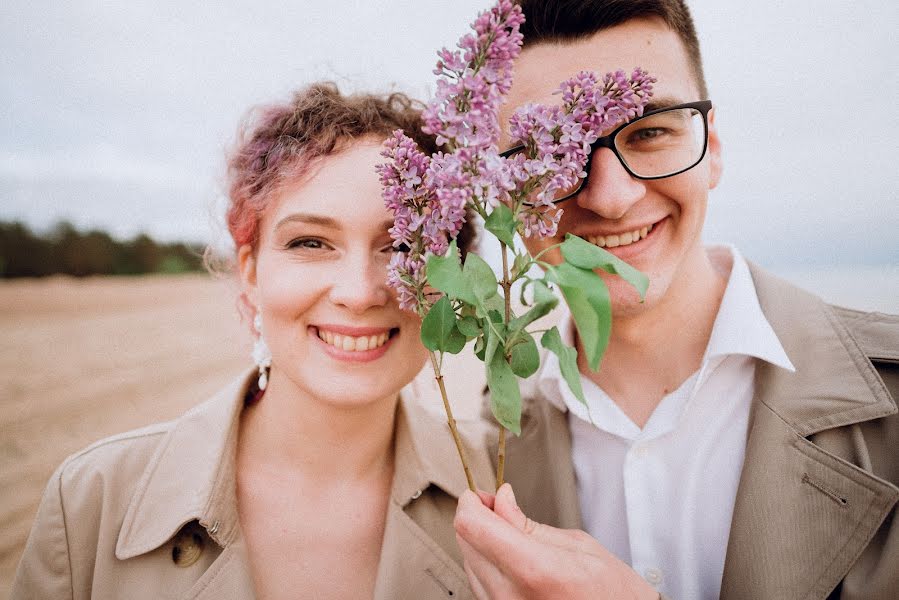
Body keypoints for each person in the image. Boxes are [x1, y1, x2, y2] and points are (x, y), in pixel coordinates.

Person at [452, 2, 899, 599]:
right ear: (500, 195)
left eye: (649, 132)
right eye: (549, 152)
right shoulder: (484, 444)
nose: (610, 198)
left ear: (711, 147)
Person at [12, 83, 492, 599]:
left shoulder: (498, 487)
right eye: (311, 242)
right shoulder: (92, 502)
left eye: (400, 245)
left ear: (455, 279)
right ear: (250, 273)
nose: (359, 292)